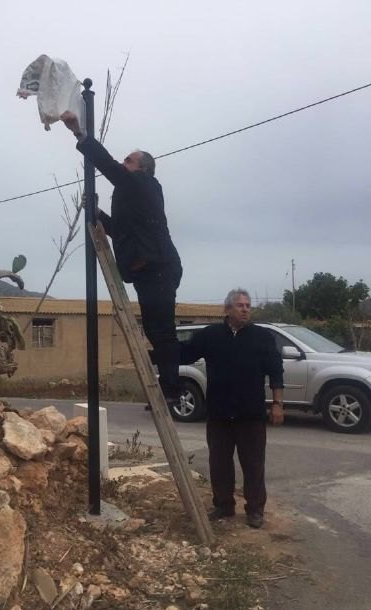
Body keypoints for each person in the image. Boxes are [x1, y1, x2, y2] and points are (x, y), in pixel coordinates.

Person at [60, 111, 183, 402]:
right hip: (146, 272)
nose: (124, 163)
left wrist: (80, 133)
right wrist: (98, 214)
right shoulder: (133, 195)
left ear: (142, 169)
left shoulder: (144, 185)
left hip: (160, 269)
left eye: (129, 160)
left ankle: (172, 389)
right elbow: (121, 231)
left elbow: (108, 165)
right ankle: (169, 385)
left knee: (162, 331)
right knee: (154, 330)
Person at [180, 289, 284, 528]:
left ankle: (255, 510)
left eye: (248, 305)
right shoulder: (211, 335)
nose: (246, 309)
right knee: (219, 464)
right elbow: (185, 354)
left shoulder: (262, 337)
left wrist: (278, 404)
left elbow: (276, 372)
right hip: (219, 414)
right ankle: (223, 506)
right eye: (240, 305)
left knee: (254, 465)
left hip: (251, 415)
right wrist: (159, 347)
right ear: (227, 310)